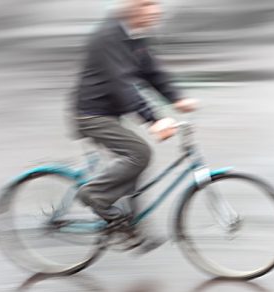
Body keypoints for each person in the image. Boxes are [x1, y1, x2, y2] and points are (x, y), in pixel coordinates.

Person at [73, 0, 197, 251]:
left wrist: (177, 98)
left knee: (133, 165)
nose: (156, 10)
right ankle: (94, 195)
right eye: (148, 4)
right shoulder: (108, 36)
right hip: (91, 116)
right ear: (132, 7)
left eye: (156, 4)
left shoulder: (134, 36)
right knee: (140, 153)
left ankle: (129, 229)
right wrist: (153, 119)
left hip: (110, 114)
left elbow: (152, 73)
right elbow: (121, 85)